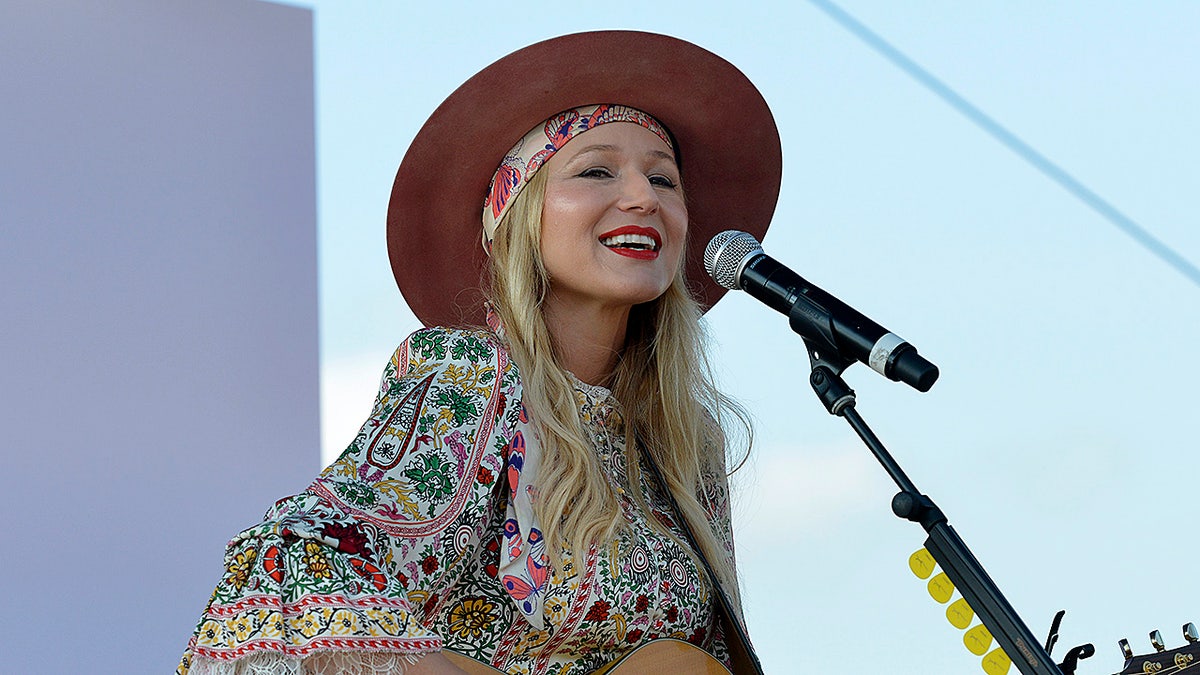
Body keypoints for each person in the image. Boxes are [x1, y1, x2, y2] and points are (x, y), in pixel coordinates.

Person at [179, 30, 781, 675]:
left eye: (665, 178)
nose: (643, 197)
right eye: (596, 170)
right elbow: (294, 567)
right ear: (515, 216)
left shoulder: (686, 438)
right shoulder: (471, 379)